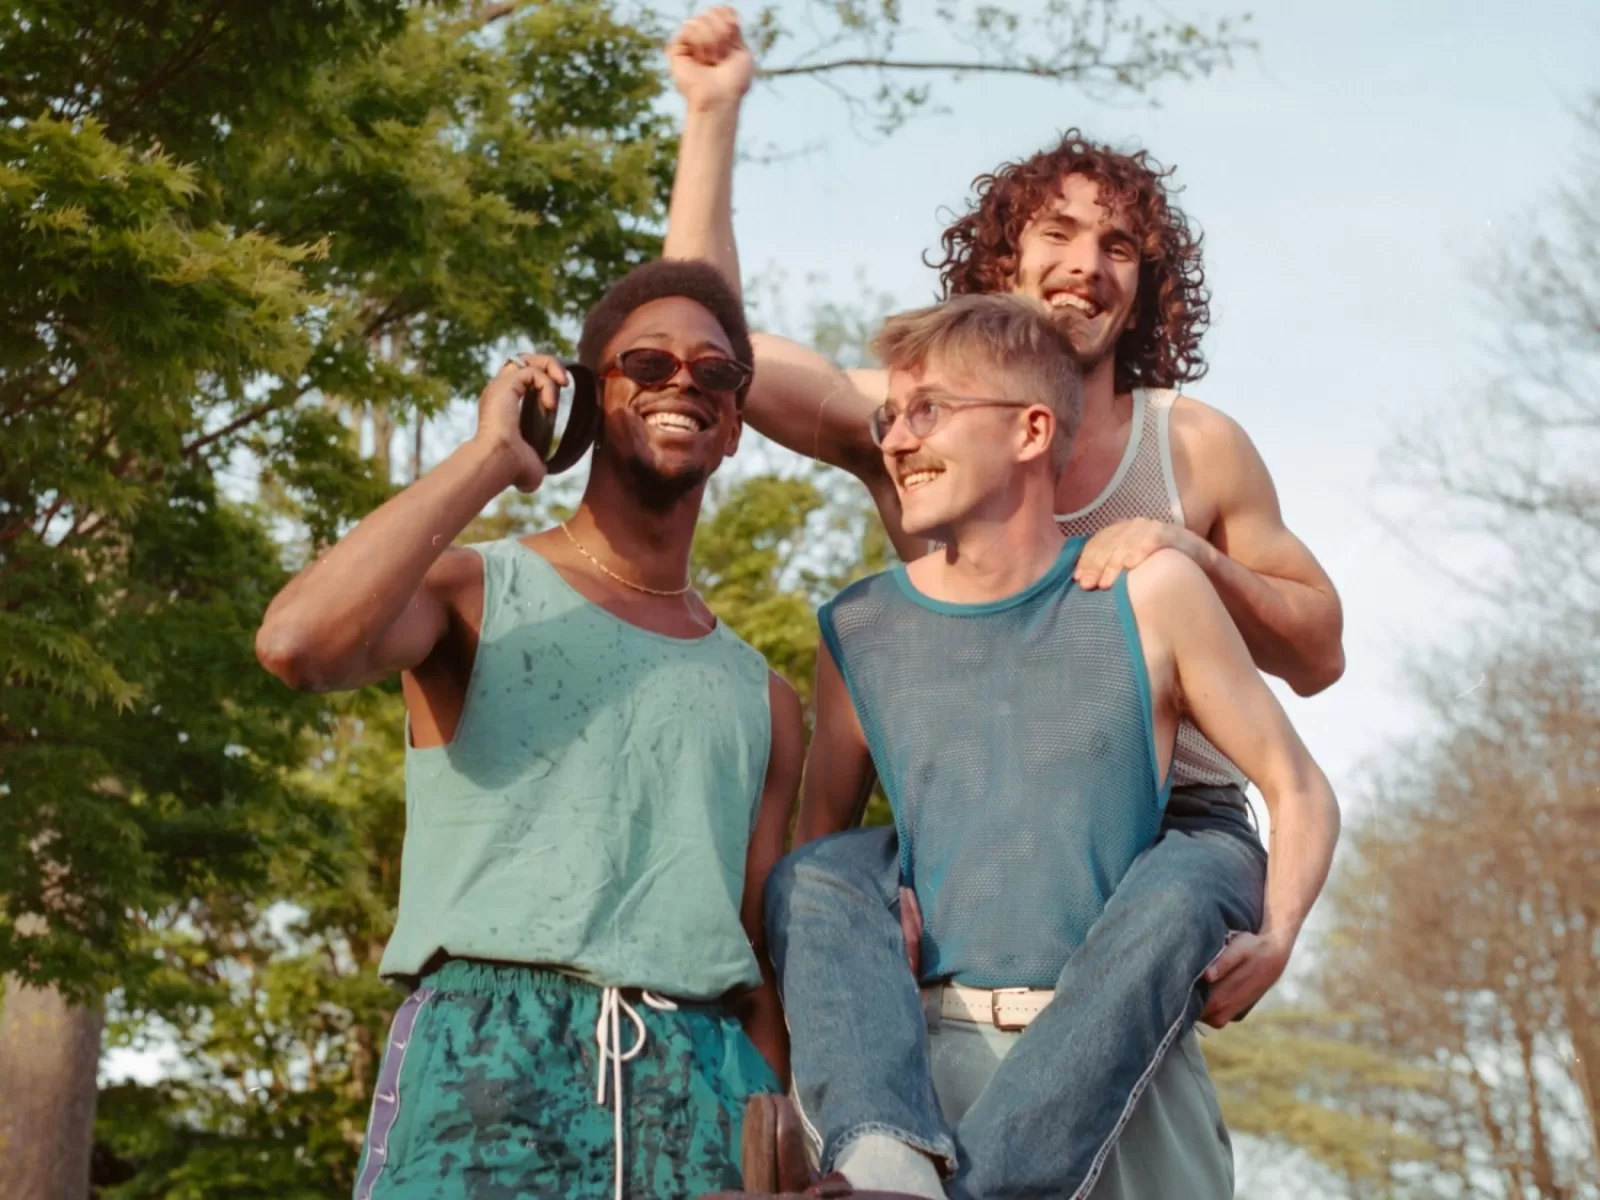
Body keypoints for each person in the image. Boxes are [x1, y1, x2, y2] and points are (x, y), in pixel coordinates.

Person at [663, 10, 1345, 1196]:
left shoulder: (1191, 445)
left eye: (1121, 245)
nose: (1088, 260)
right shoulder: (924, 419)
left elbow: (1321, 651)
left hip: (1162, 825)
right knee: (824, 875)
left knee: (1172, 892)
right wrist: (711, 119)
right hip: (975, 813)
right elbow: (709, 344)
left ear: (1146, 287)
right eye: (1060, 231)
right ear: (1001, 262)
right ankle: (883, 1158)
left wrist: (1183, 550)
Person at [726, 295, 1340, 1200]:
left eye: (929, 410)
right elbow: (820, 866)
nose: (895, 440)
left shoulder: (1149, 592)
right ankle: (884, 1164)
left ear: (1031, 430)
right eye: (890, 416)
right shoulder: (860, 627)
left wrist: (1281, 934)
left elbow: (1296, 787)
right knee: (811, 875)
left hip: (1127, 1086)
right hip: (928, 1086)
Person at [255, 259, 803, 1200]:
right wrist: (491, 460)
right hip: (488, 1056)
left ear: (737, 424)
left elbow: (761, 968)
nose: (684, 383)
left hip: (700, 1082)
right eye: (650, 362)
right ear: (594, 392)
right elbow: (298, 645)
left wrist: (777, 1136)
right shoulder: (476, 591)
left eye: (715, 373)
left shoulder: (767, 696)